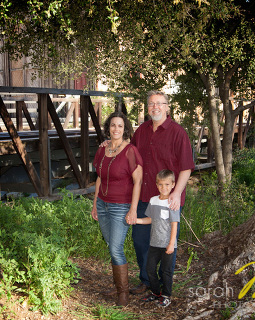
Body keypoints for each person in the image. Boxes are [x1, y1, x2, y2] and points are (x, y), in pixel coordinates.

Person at [130, 91, 195, 294]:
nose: (155, 107)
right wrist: (110, 146)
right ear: (147, 107)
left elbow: (186, 167)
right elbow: (128, 154)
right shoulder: (141, 131)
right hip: (144, 196)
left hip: (168, 199)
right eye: (151, 104)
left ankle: (165, 287)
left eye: (159, 103)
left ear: (167, 107)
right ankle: (148, 280)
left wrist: (176, 193)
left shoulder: (178, 133)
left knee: (166, 243)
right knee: (140, 240)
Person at [91, 111, 143, 306]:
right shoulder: (102, 149)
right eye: (113, 125)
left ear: (125, 129)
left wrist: (133, 209)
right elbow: (98, 177)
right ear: (108, 128)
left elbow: (138, 181)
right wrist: (95, 203)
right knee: (111, 245)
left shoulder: (130, 151)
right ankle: (118, 285)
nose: (116, 129)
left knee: (115, 248)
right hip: (103, 204)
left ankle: (123, 293)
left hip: (121, 206)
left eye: (120, 126)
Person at [137, 169, 180, 307]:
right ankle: (156, 293)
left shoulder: (173, 202)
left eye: (167, 185)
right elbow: (150, 219)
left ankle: (167, 295)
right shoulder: (153, 200)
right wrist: (136, 220)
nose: (164, 188)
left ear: (173, 184)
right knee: (150, 268)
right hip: (154, 243)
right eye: (161, 185)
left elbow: (174, 224)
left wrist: (171, 244)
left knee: (166, 271)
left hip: (167, 244)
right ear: (157, 185)